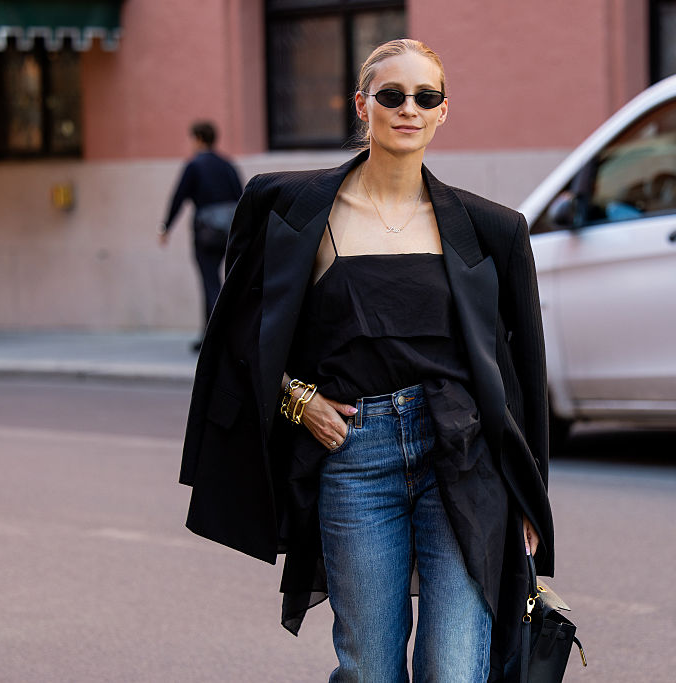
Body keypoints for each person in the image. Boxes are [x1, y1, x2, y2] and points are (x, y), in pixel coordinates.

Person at [178, 39, 554, 681]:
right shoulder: (293, 209)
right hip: (355, 459)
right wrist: (296, 399)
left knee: (455, 669)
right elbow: (237, 337)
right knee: (370, 669)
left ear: (443, 111)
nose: (409, 108)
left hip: (463, 455)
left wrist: (530, 495)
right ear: (362, 105)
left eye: (426, 96)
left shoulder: (492, 228)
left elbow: (522, 373)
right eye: (392, 95)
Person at [159, 120, 244, 351]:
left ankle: (218, 337)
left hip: (206, 233)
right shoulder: (227, 165)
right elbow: (242, 196)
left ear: (198, 139)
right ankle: (209, 335)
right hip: (230, 232)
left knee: (210, 282)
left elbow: (178, 197)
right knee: (224, 282)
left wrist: (166, 227)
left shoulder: (194, 165)